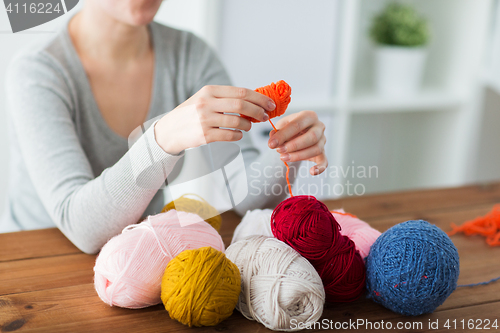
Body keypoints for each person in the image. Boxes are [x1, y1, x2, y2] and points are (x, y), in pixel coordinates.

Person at [2, 0, 327, 254]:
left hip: (139, 253)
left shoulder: (190, 55)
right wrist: (162, 138)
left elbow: (244, 195)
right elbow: (83, 228)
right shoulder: (38, 73)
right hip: (39, 261)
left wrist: (287, 150)